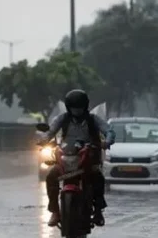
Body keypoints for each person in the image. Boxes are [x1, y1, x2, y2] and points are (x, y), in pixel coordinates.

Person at [38, 89, 115, 227]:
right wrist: (43, 140)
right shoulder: (62, 119)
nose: (77, 111)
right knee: (51, 177)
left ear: (85, 107)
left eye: (80, 108)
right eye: (74, 108)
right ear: (69, 107)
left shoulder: (93, 119)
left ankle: (98, 211)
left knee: (97, 177)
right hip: (67, 156)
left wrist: (107, 141)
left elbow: (108, 130)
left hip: (88, 157)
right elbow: (50, 131)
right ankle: (55, 211)